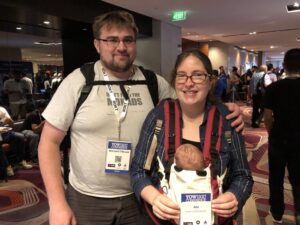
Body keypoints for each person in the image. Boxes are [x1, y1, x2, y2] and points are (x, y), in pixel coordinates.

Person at [38, 11, 244, 225]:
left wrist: (225, 108)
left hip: (141, 195)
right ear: (97, 44)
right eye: (112, 40)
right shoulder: (78, 82)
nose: (121, 47)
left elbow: (191, 100)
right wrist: (57, 203)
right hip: (88, 198)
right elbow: (48, 143)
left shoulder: (153, 83)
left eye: (128, 40)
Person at [131, 49, 253, 224]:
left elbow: (243, 175)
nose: (188, 83)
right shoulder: (158, 117)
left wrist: (235, 196)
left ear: (210, 81)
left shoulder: (226, 120)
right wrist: (154, 198)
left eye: (197, 75)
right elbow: (138, 171)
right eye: (182, 75)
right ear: (174, 80)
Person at [263, 48, 300, 225]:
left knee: (275, 177)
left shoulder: (273, 88)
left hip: (278, 139)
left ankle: (277, 213)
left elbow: (268, 117)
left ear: (284, 66)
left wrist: (272, 134)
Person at [0, 106, 32, 175]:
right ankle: (7, 167)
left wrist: (10, 121)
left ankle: (22, 160)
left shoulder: (2, 109)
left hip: (5, 133)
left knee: (20, 137)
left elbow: (11, 123)